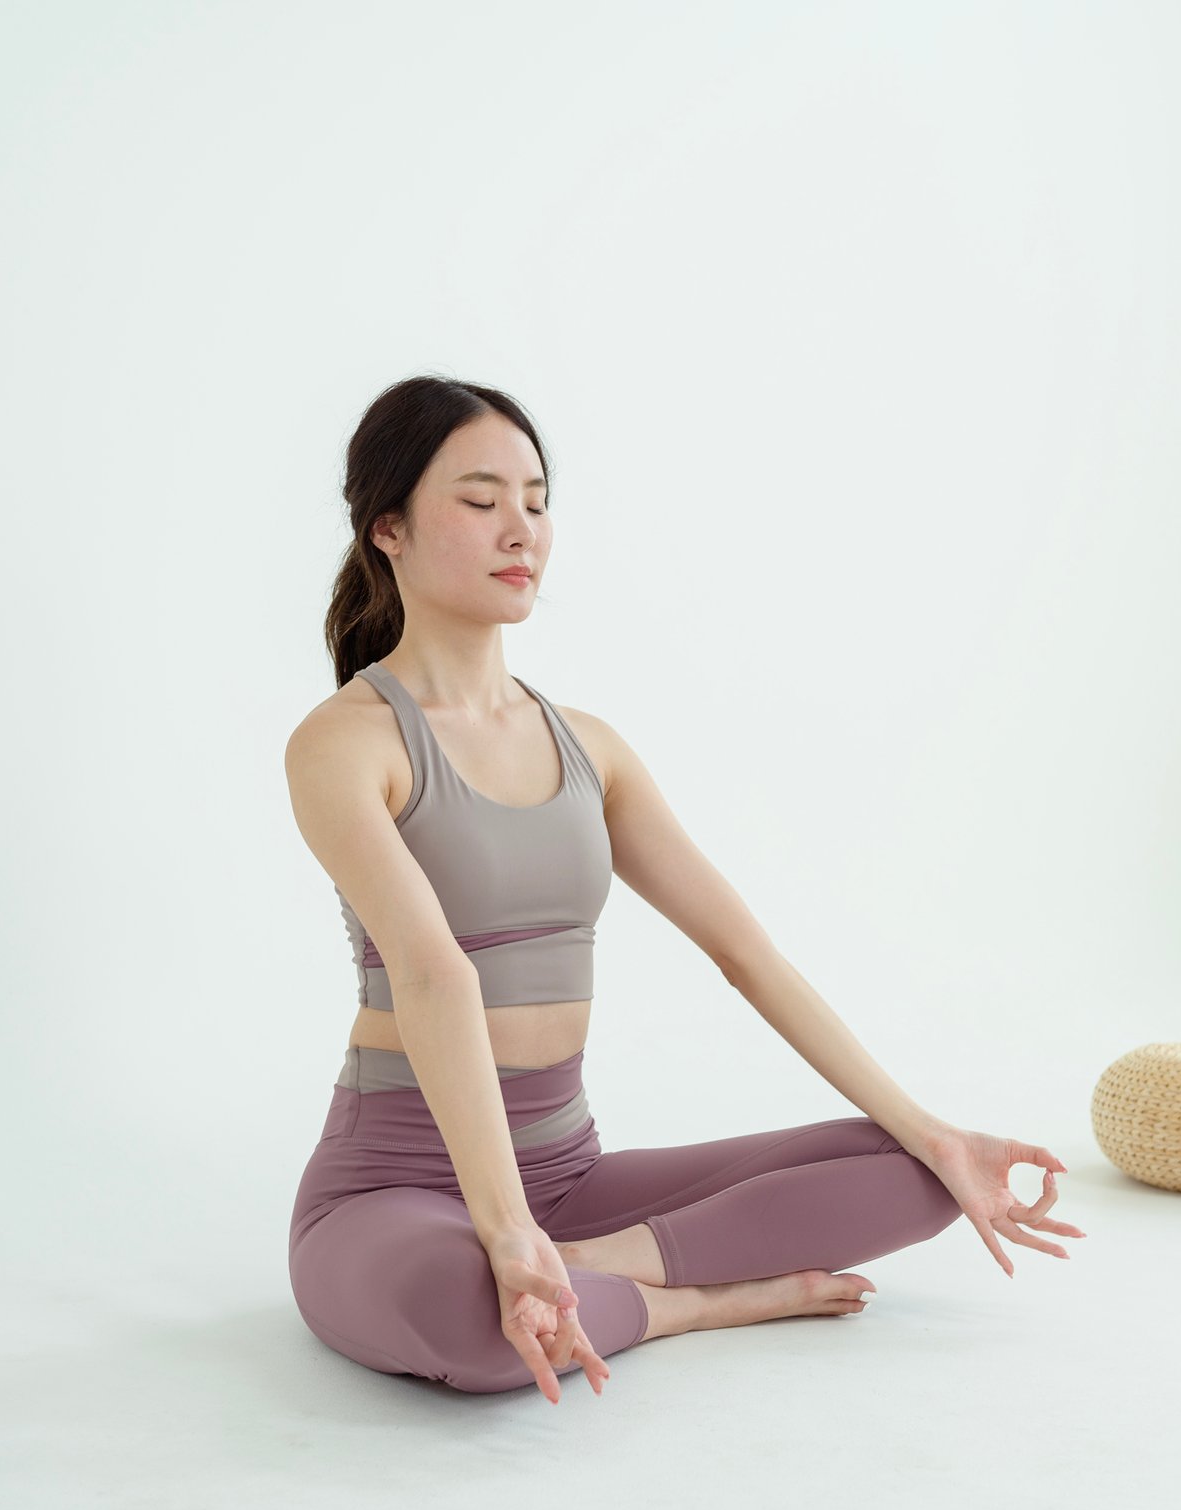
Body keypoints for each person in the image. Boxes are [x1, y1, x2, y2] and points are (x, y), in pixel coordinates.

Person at [285, 375, 1084, 1401]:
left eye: (536, 500)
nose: (519, 528)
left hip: (570, 1183)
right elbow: (437, 976)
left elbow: (746, 954)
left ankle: (584, 1273)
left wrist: (935, 1131)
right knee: (476, 1325)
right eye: (481, 502)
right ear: (388, 528)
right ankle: (691, 1300)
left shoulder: (592, 749)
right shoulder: (348, 744)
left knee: (924, 1178)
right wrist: (501, 1231)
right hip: (393, 1192)